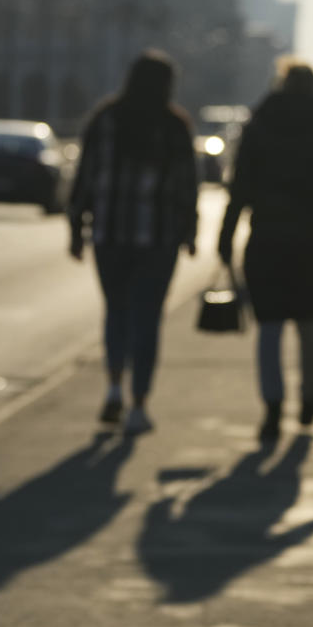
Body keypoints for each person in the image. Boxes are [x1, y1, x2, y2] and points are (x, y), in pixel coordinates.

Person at [217, 59, 313, 442]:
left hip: (266, 236)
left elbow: (239, 190)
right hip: (311, 239)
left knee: (269, 326)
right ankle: (309, 394)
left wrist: (225, 236)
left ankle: (272, 406)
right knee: (307, 322)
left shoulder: (258, 130)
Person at [68, 49, 198, 435]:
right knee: (148, 318)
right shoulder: (174, 126)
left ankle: (112, 389)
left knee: (116, 312)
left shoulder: (104, 119)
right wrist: (189, 231)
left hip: (109, 234)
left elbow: (85, 176)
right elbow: (186, 184)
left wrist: (76, 227)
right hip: (158, 237)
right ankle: (139, 404)